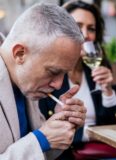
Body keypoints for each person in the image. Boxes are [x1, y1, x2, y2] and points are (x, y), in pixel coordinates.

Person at [39, 0, 116, 159]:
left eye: (91, 29)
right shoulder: (48, 73)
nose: (85, 34)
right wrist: (89, 133)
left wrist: (108, 91)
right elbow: (44, 128)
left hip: (102, 153)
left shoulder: (96, 69)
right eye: (77, 26)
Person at [0, 2, 87, 160]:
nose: (59, 85)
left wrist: (59, 125)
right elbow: (34, 144)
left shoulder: (25, 81)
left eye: (64, 74)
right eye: (53, 72)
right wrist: (41, 140)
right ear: (20, 53)